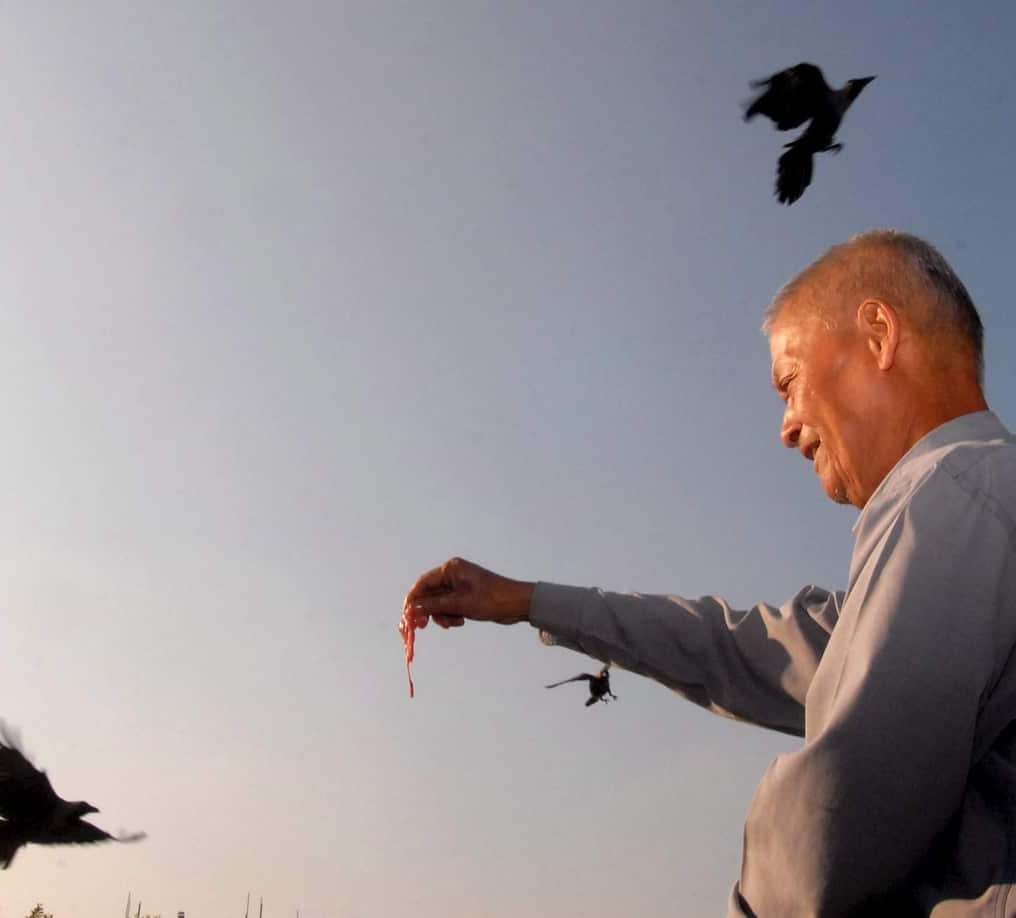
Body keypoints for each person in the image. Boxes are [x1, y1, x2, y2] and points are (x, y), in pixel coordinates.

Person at [404, 229, 1016, 916]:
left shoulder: (958, 491)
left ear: (878, 333)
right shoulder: (968, 521)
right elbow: (731, 646)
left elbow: (840, 811)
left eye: (789, 383)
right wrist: (527, 601)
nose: (786, 426)